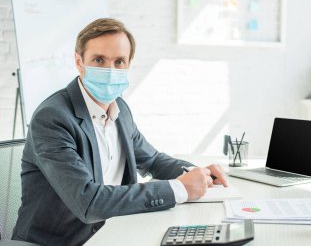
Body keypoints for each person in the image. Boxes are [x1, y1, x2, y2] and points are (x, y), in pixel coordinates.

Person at [12, 18, 228, 246]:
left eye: (119, 62)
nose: (110, 70)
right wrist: (180, 188)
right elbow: (89, 202)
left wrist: (197, 173)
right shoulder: (53, 117)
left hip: (114, 233)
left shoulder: (120, 109)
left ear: (128, 64)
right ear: (79, 61)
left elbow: (152, 160)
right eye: (99, 60)